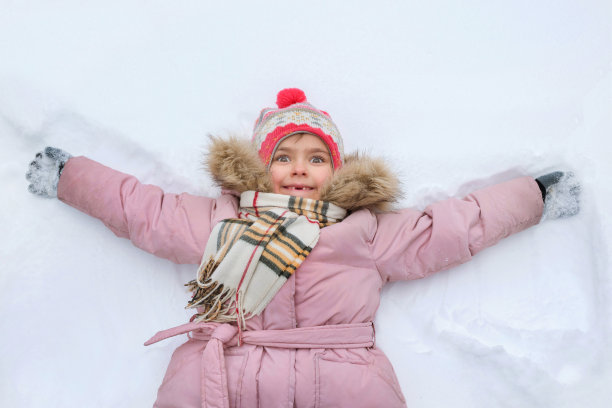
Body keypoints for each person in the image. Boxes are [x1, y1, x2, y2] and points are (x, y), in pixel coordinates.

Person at [25, 88, 580, 407]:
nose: (299, 169)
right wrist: (69, 176)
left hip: (342, 372)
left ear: (335, 171)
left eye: (316, 159)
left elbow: (453, 228)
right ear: (260, 167)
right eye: (284, 156)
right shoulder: (224, 218)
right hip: (229, 366)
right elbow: (142, 210)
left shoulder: (362, 230)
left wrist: (533, 197)